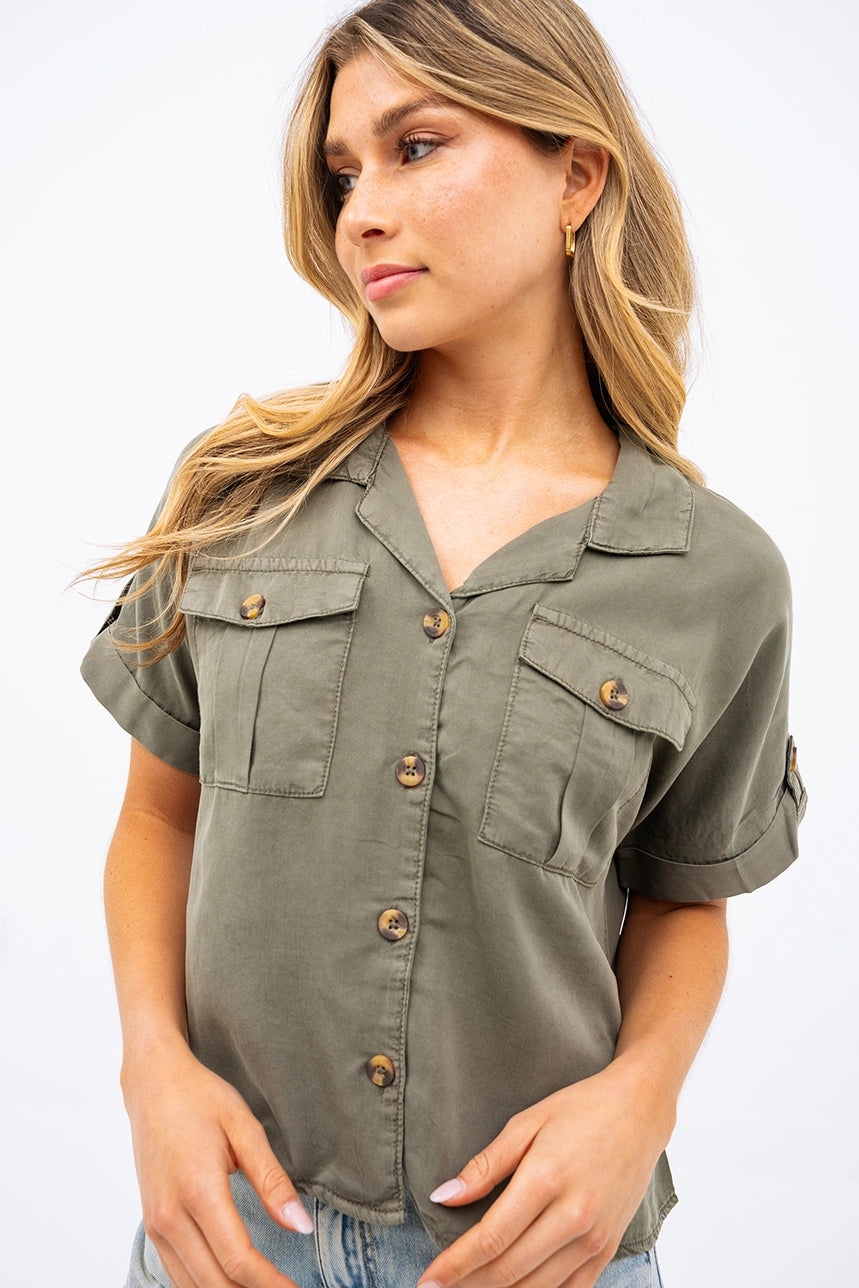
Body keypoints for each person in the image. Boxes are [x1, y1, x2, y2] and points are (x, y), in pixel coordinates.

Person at [80, 2, 806, 1286]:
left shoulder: (717, 575)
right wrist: (152, 1067)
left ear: (576, 177)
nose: (360, 211)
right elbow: (156, 816)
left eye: (415, 148)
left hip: (542, 1247)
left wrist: (641, 1099)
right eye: (343, 173)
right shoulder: (246, 492)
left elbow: (682, 896)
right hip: (232, 1235)